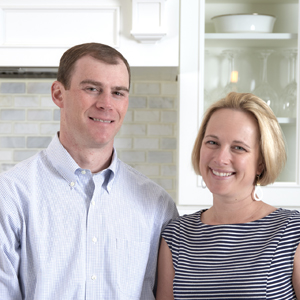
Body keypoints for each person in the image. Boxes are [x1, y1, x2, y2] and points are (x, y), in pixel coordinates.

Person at [0, 42, 178, 300]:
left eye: (118, 92)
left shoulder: (157, 205)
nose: (106, 103)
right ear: (58, 94)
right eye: (92, 89)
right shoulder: (11, 195)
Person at [156, 92, 300, 299]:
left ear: (261, 162)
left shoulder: (292, 231)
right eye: (212, 143)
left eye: (238, 148)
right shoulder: (176, 236)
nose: (221, 158)